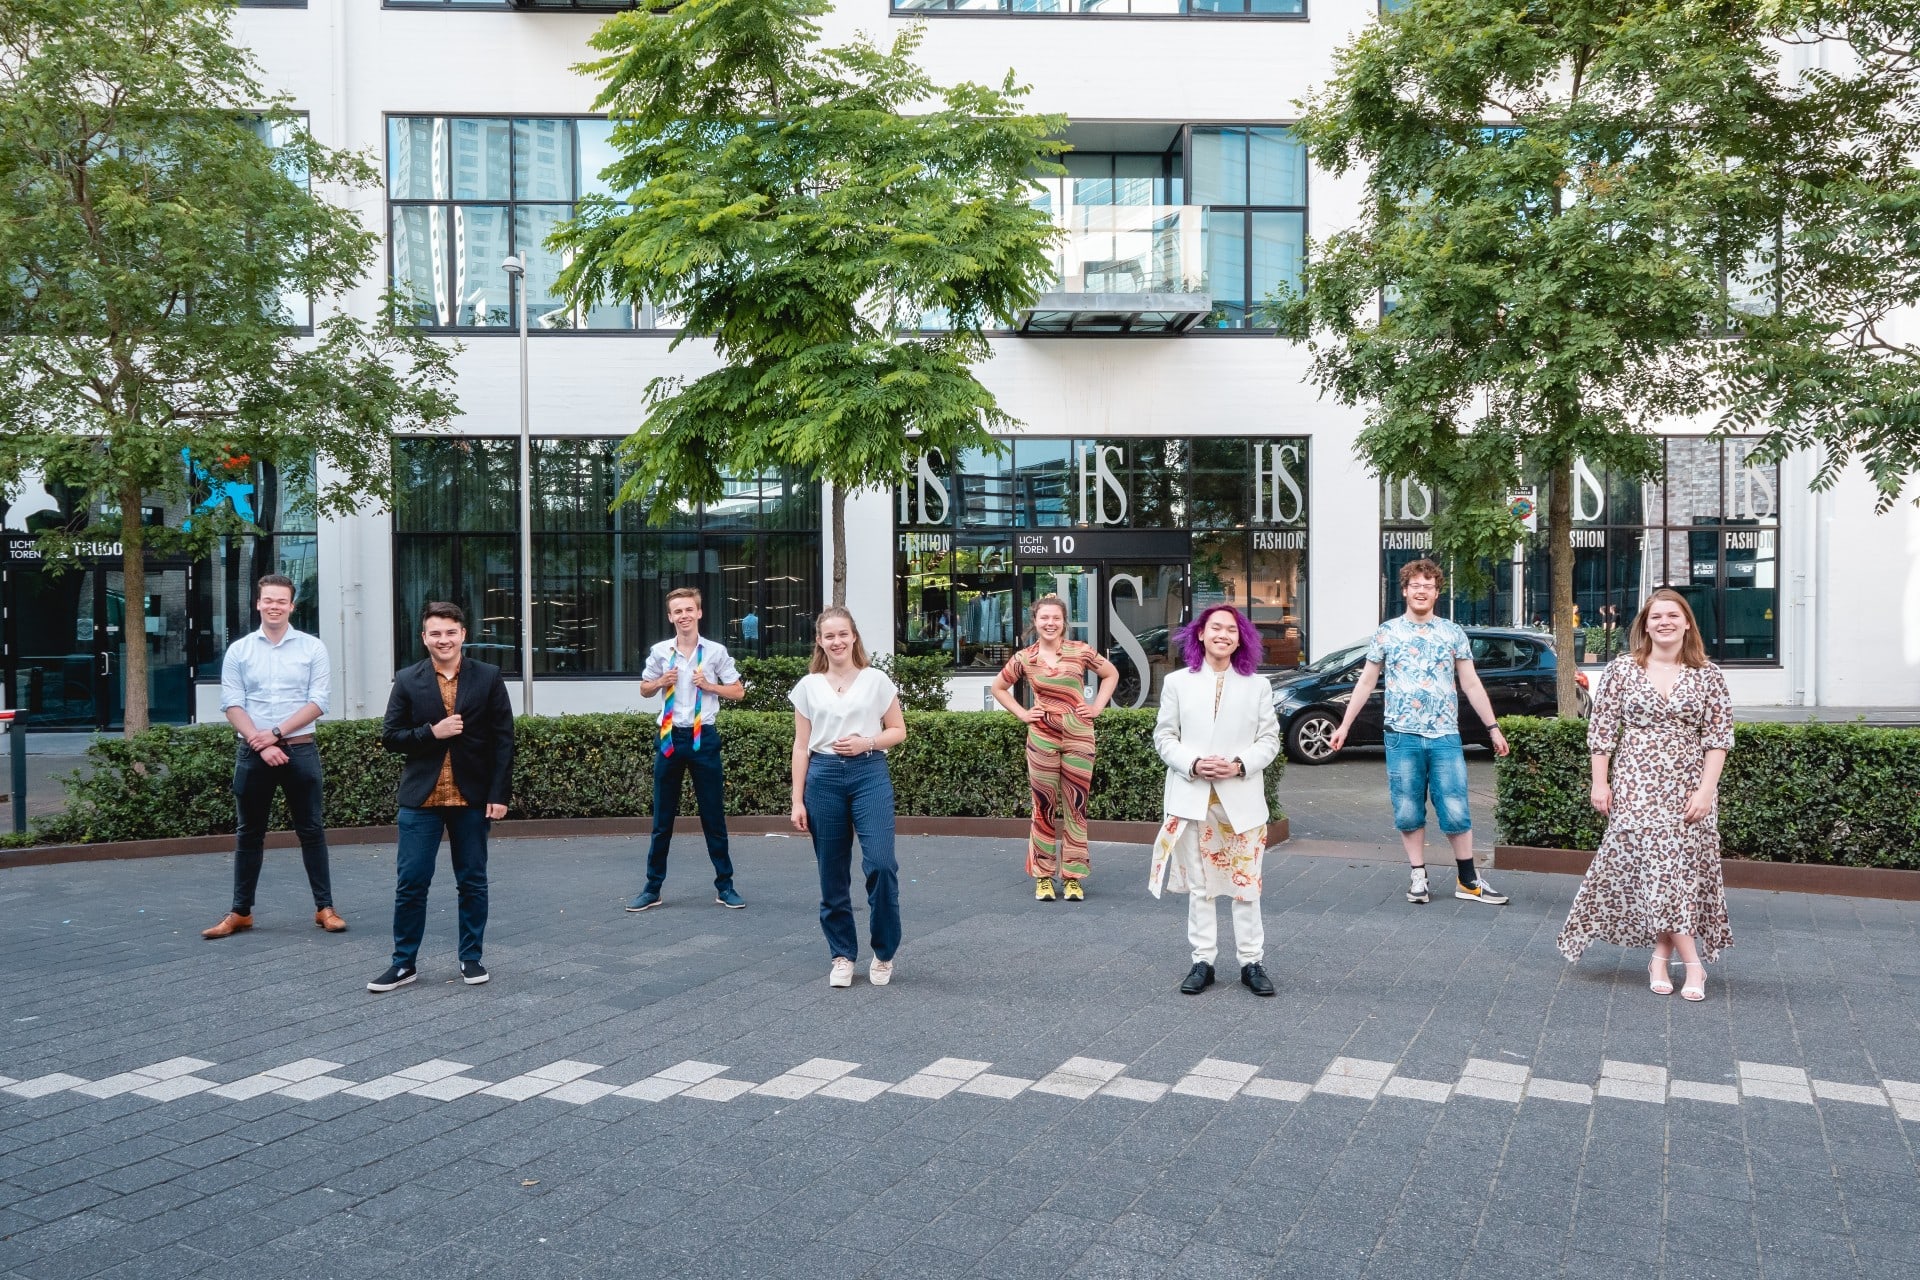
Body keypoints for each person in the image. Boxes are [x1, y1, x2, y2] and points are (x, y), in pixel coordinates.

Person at [1558, 589, 1734, 1001]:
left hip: (1688, 784)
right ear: (1645, 624)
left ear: (1687, 623)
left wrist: (1707, 790)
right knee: (1658, 868)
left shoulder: (1708, 674)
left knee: (1677, 872)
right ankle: (1694, 964)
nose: (1665, 622)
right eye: (1657, 616)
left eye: (1673, 615)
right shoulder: (1622, 669)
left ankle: (1659, 955)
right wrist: (1599, 782)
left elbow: (1719, 739)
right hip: (1636, 781)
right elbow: (1601, 731)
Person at [1328, 559, 1511, 906]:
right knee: (1408, 808)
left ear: (1437, 592)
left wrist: (1492, 727)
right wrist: (1345, 725)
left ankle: (1468, 879)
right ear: (1405, 591)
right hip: (1401, 736)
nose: (1421, 590)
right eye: (1415, 585)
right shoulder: (1387, 632)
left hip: (1444, 735)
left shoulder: (1453, 632)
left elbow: (1470, 682)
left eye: (1428, 585)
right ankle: (1418, 875)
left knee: (1456, 808)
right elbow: (1366, 680)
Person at [368, 602, 515, 993]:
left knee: (472, 881)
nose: (443, 639)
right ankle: (403, 964)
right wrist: (431, 733)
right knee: (411, 881)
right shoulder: (408, 679)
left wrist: (499, 793)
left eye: (450, 632)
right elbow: (390, 736)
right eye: (435, 633)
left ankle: (471, 958)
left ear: (463, 634)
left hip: (472, 798)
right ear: (424, 638)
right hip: (421, 799)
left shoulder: (487, 677)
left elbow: (504, 740)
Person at [1149, 605, 1283, 997]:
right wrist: (1193, 763)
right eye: (1215, 628)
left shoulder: (1258, 685)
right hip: (1191, 798)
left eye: (1231, 629)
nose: (1223, 634)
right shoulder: (1177, 682)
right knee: (1200, 887)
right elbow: (1164, 737)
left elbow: (1270, 740)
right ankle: (1202, 961)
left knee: (1246, 886)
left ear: (1240, 639)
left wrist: (1239, 765)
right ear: (1201, 635)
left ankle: (1251, 963)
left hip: (1240, 800)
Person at [203, 574, 345, 940]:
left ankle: (324, 908)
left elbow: (319, 703)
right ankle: (240, 912)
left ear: (292, 606)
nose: (275, 606)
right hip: (253, 753)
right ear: (258, 603)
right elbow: (231, 704)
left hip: (300, 750)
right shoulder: (240, 650)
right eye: (268, 600)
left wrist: (277, 734)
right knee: (248, 833)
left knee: (311, 830)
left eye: (282, 601)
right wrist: (261, 743)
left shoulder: (313, 648)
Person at [789, 608, 908, 988]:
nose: (837, 641)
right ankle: (842, 954)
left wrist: (866, 742)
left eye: (843, 634)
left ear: (854, 636)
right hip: (822, 778)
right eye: (829, 636)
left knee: (882, 864)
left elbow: (898, 731)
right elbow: (801, 745)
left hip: (869, 773)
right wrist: (797, 799)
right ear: (820, 642)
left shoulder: (876, 680)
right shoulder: (808, 686)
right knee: (832, 872)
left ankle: (884, 951)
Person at [989, 595, 1119, 901]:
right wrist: (1022, 713)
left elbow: (1110, 673)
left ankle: (1073, 876)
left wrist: (1097, 706)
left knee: (1077, 806)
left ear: (1064, 622)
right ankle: (1043, 876)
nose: (1050, 623)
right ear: (1035, 621)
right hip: (1042, 737)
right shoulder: (1025, 658)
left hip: (1079, 735)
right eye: (1044, 618)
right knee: (1043, 806)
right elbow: (999, 687)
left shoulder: (1080, 651)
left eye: (1056, 618)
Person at [630, 587, 746, 912]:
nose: (683, 616)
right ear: (670, 617)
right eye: (677, 611)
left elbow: (738, 692)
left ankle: (725, 886)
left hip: (702, 738)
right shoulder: (659, 652)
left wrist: (710, 686)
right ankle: (652, 889)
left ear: (699, 613)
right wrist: (659, 683)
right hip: (668, 738)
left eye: (688, 610)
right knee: (662, 819)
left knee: (713, 816)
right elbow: (643, 689)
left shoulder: (715, 652)